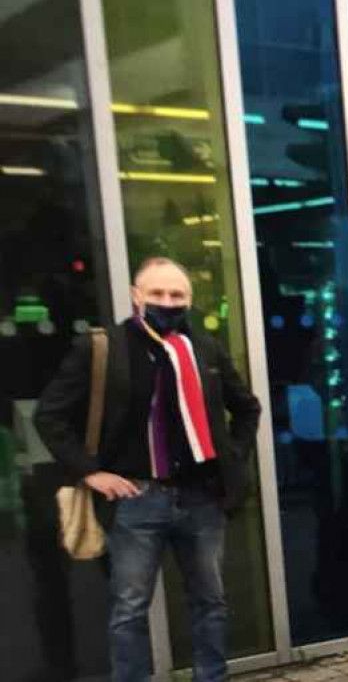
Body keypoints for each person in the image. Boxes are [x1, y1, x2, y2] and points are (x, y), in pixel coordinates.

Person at [35, 257, 261, 682]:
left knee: (210, 602)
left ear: (190, 300)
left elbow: (247, 407)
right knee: (130, 609)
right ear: (136, 296)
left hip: (201, 498)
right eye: (157, 293)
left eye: (177, 295)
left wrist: (231, 458)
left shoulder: (205, 348)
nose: (167, 301)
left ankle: (212, 677)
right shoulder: (102, 347)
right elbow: (50, 416)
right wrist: (91, 473)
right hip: (136, 499)